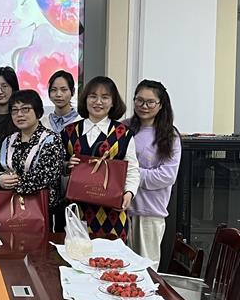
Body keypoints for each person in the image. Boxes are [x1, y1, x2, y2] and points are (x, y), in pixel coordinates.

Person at [62, 76, 140, 241]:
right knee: (77, 253)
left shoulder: (123, 133)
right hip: (78, 211)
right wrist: (67, 165)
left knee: (111, 256)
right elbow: (58, 167)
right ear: (85, 99)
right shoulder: (69, 132)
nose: (98, 102)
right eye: (93, 96)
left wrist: (129, 193)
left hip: (112, 212)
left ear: (113, 102)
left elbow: (132, 169)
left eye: (105, 97)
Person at [125, 80, 181, 265]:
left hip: (149, 213)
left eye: (150, 102)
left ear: (161, 105)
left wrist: (130, 173)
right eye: (139, 100)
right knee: (117, 268)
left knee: (146, 270)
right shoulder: (123, 128)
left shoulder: (170, 135)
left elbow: (167, 176)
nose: (144, 106)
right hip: (120, 210)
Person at [0, 90, 65, 217]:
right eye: (14, 110)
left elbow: (46, 177)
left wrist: (13, 183)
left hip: (43, 210)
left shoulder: (51, 139)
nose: (19, 114)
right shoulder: (8, 141)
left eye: (25, 109)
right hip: (10, 208)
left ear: (38, 111)